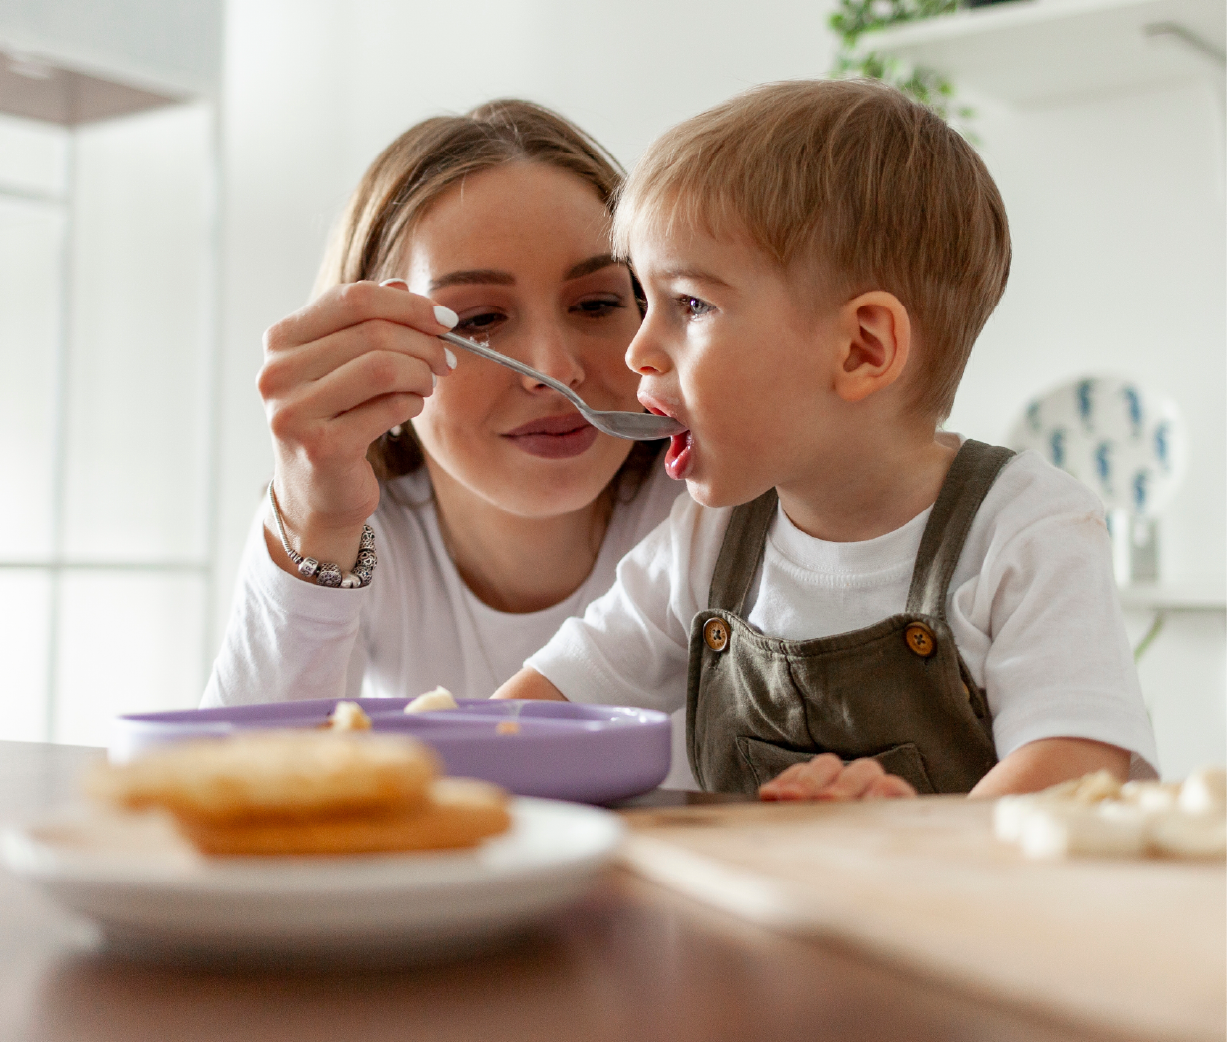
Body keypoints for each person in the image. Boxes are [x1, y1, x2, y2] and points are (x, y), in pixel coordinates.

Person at [495, 79, 1159, 801]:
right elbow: (535, 715)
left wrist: (920, 840)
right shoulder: (704, 542)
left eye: (690, 304)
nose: (639, 351)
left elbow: (1077, 765)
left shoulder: (1026, 530)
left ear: (861, 350)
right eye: (643, 301)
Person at [202, 100, 680, 712]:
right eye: (478, 319)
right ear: (373, 353)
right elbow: (243, 783)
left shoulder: (715, 511)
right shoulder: (354, 534)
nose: (556, 369)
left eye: (596, 305)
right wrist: (313, 525)